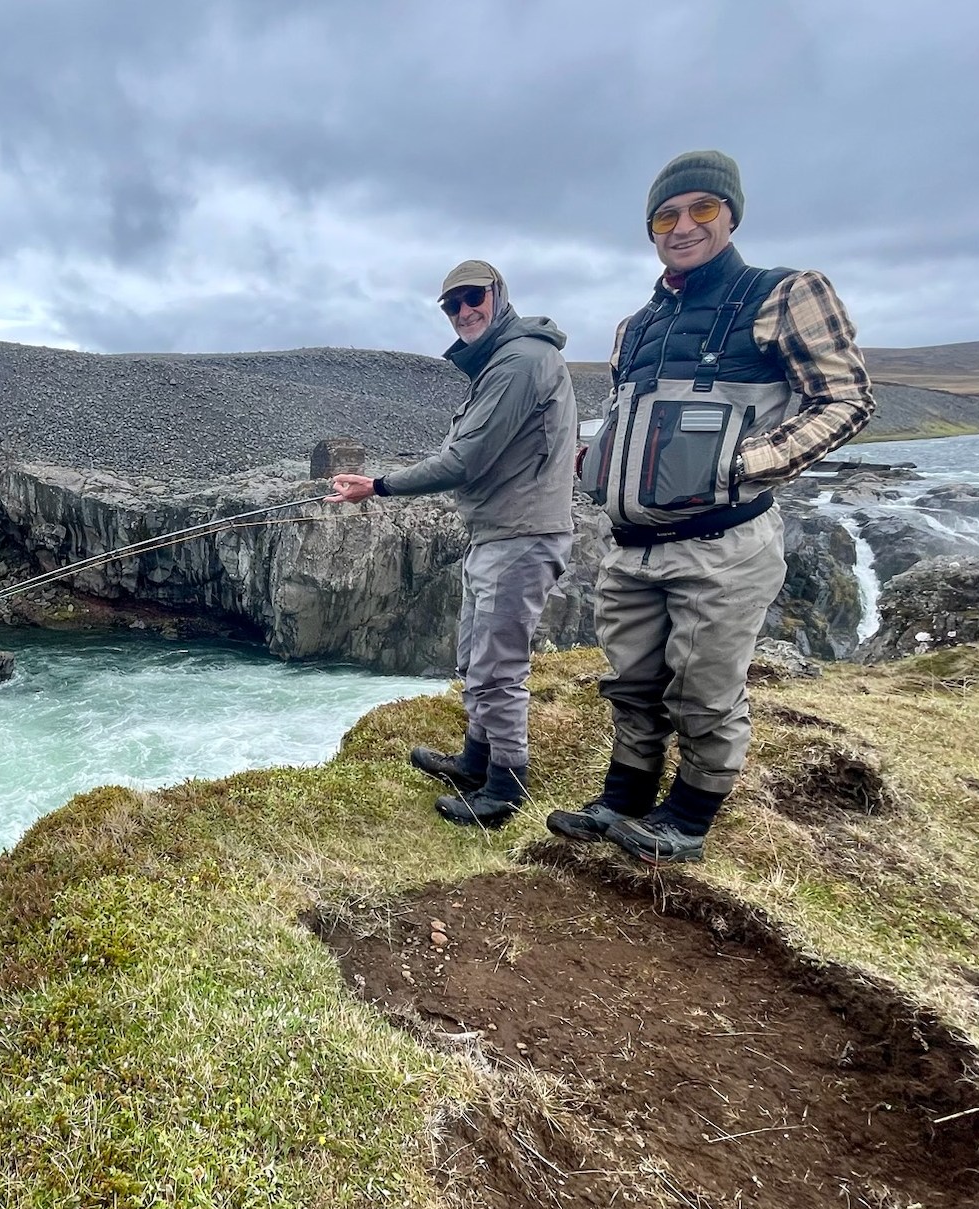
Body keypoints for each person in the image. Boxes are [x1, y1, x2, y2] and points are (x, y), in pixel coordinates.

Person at [550, 150, 875, 864]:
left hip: (723, 543)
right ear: (651, 228)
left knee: (703, 687)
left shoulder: (786, 293)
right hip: (631, 547)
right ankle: (623, 798)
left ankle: (689, 819)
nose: (684, 225)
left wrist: (746, 464)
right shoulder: (633, 326)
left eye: (702, 209)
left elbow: (847, 399)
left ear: (731, 214)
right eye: (667, 214)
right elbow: (629, 416)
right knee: (632, 681)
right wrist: (596, 466)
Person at [329, 260, 575, 828]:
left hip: (521, 533)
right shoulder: (505, 361)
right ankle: (475, 758)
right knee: (476, 654)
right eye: (452, 304)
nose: (463, 311)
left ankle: (504, 788)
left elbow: (466, 459)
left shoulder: (519, 361)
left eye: (473, 298)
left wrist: (379, 486)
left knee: (497, 667)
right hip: (497, 531)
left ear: (498, 296)